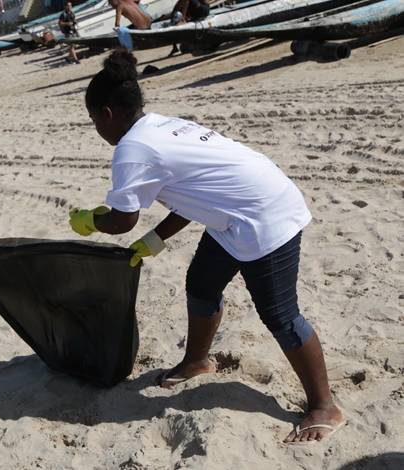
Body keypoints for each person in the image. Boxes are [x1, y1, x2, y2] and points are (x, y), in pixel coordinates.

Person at [68, 49, 345, 444]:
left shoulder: (132, 149)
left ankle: (324, 406)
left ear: (107, 114)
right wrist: (157, 238)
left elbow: (121, 220)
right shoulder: (160, 125)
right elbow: (192, 195)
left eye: (94, 119)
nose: (96, 127)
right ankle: (197, 360)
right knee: (201, 283)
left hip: (264, 215)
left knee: (280, 315)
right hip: (238, 211)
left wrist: (89, 221)